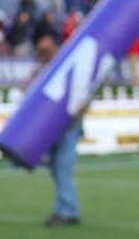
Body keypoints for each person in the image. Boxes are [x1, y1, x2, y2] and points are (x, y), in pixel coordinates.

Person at [31, 33, 84, 226]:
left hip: (68, 127)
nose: (42, 55)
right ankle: (67, 208)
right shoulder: (41, 70)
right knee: (57, 168)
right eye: (40, 51)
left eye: (45, 51)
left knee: (62, 168)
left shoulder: (68, 67)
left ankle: (66, 211)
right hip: (51, 128)